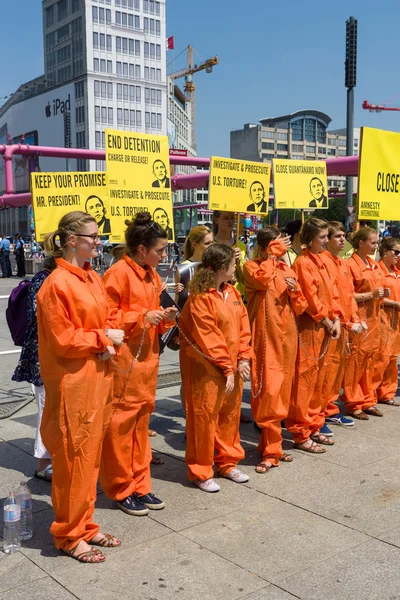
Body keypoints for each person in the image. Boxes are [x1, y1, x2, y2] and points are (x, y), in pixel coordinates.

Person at [37, 211, 125, 563]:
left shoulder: (90, 276)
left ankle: (85, 524)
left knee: (89, 459)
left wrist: (109, 336)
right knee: (74, 460)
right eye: (92, 236)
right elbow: (62, 339)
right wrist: (102, 337)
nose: (98, 241)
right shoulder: (57, 283)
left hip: (95, 378)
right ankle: (69, 535)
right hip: (73, 384)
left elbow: (106, 316)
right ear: (71, 240)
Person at [100, 212, 177, 516]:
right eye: (160, 250)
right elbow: (104, 320)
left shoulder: (152, 275)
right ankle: (121, 488)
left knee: (142, 427)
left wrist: (164, 318)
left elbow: (152, 314)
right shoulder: (118, 274)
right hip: (125, 364)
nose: (164, 254)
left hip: (146, 363)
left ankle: (141, 484)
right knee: (120, 429)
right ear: (142, 249)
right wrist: (142, 317)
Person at [179, 244, 252, 492]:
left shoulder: (232, 293)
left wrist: (243, 358)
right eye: (233, 264)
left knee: (229, 416)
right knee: (203, 418)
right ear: (223, 268)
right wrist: (226, 368)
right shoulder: (200, 298)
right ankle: (200, 470)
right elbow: (208, 337)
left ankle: (227, 462)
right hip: (206, 370)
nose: (235, 269)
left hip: (231, 367)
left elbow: (244, 328)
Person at [244, 227, 307, 473]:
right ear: (263, 248)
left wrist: (295, 290)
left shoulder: (286, 269)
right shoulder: (252, 268)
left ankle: (272, 446)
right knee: (267, 393)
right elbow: (261, 280)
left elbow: (301, 308)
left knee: (280, 394)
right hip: (265, 341)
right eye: (274, 246)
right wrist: (271, 257)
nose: (281, 252)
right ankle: (271, 452)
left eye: (281, 247)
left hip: (287, 341)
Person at [286, 218, 342, 453]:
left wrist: (337, 317)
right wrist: (328, 320)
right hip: (311, 328)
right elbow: (309, 298)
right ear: (310, 239)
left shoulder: (322, 261)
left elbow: (334, 292)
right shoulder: (303, 262)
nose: (326, 241)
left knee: (321, 379)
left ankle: (315, 424)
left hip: (326, 326)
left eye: (327, 236)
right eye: (322, 237)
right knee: (305, 381)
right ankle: (301, 431)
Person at [12, 256, 57, 481]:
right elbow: (44, 318)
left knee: (50, 408)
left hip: (48, 353)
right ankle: (42, 464)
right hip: (43, 354)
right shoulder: (44, 280)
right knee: (46, 407)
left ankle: (49, 459)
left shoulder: (47, 278)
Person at [322, 222, 364, 435]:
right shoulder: (324, 263)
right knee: (326, 371)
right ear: (326, 239)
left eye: (343, 236)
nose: (342, 240)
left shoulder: (342, 263)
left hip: (345, 325)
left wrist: (354, 316)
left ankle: (330, 408)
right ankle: (320, 412)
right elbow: (329, 297)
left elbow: (347, 296)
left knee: (336, 370)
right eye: (337, 236)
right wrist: (341, 320)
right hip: (332, 325)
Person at [342, 227, 388, 419]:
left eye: (376, 242)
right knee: (356, 362)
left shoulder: (373, 264)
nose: (376, 246)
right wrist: (371, 294)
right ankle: (354, 402)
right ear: (361, 243)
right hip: (360, 318)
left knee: (371, 361)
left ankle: (368, 399)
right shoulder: (350, 265)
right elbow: (347, 296)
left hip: (375, 318)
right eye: (373, 242)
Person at [212, 211, 250, 422]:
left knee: (236, 348)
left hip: (236, 298)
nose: (230, 221)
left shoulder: (241, 246)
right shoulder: (210, 243)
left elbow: (246, 279)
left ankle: (233, 407)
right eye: (226, 217)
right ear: (216, 219)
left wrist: (239, 262)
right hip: (216, 303)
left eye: (232, 218)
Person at [374, 237, 400, 406]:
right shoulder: (378, 271)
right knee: (381, 358)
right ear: (385, 252)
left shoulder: (396, 271)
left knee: (392, 358)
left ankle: (387, 392)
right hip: (384, 317)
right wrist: (395, 303)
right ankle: (372, 394)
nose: (399, 255)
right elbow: (377, 297)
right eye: (396, 252)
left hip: (396, 319)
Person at [174, 226, 214, 308]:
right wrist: (178, 293)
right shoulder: (183, 269)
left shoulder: (215, 265)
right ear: (194, 245)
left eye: (212, 242)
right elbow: (178, 302)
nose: (211, 246)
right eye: (207, 243)